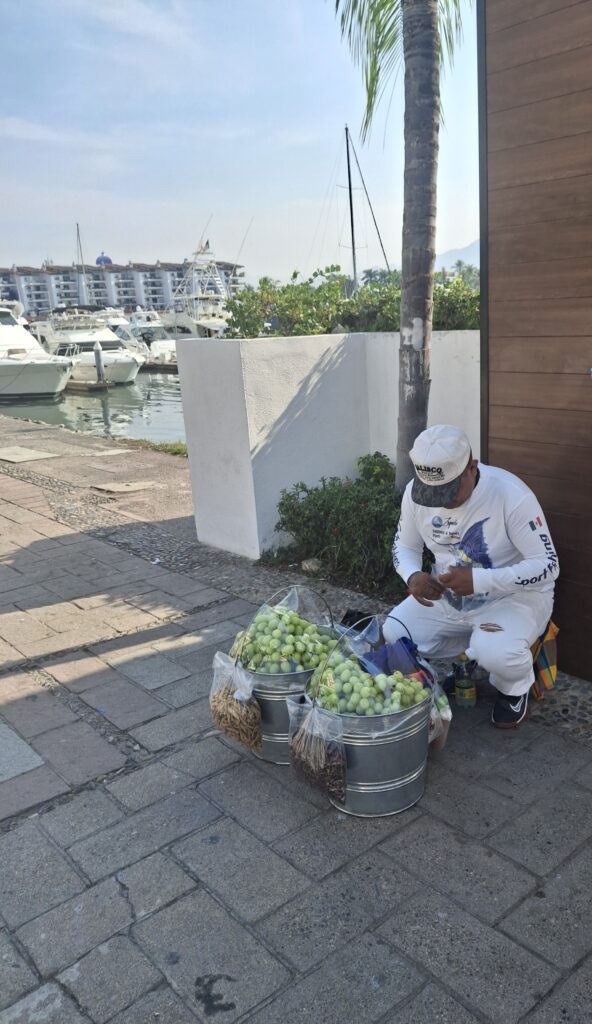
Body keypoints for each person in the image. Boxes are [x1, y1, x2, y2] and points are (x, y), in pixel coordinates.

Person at [383, 424, 559, 728]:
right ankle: (472, 654)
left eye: (449, 492)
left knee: (499, 653)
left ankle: (514, 688)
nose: (442, 501)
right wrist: (412, 576)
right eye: (433, 493)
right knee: (395, 632)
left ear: (472, 468)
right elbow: (405, 544)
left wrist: (479, 581)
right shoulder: (415, 494)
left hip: (512, 598)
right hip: (450, 596)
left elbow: (548, 565)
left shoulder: (510, 494)